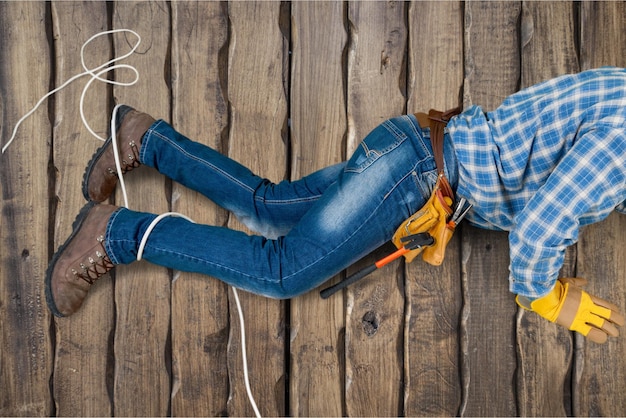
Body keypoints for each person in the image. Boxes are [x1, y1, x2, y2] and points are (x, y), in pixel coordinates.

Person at [46, 67, 626, 343]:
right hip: (416, 177)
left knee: (271, 206)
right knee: (281, 272)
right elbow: (543, 225)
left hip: (415, 146)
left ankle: (147, 139)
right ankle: (117, 233)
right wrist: (543, 295)